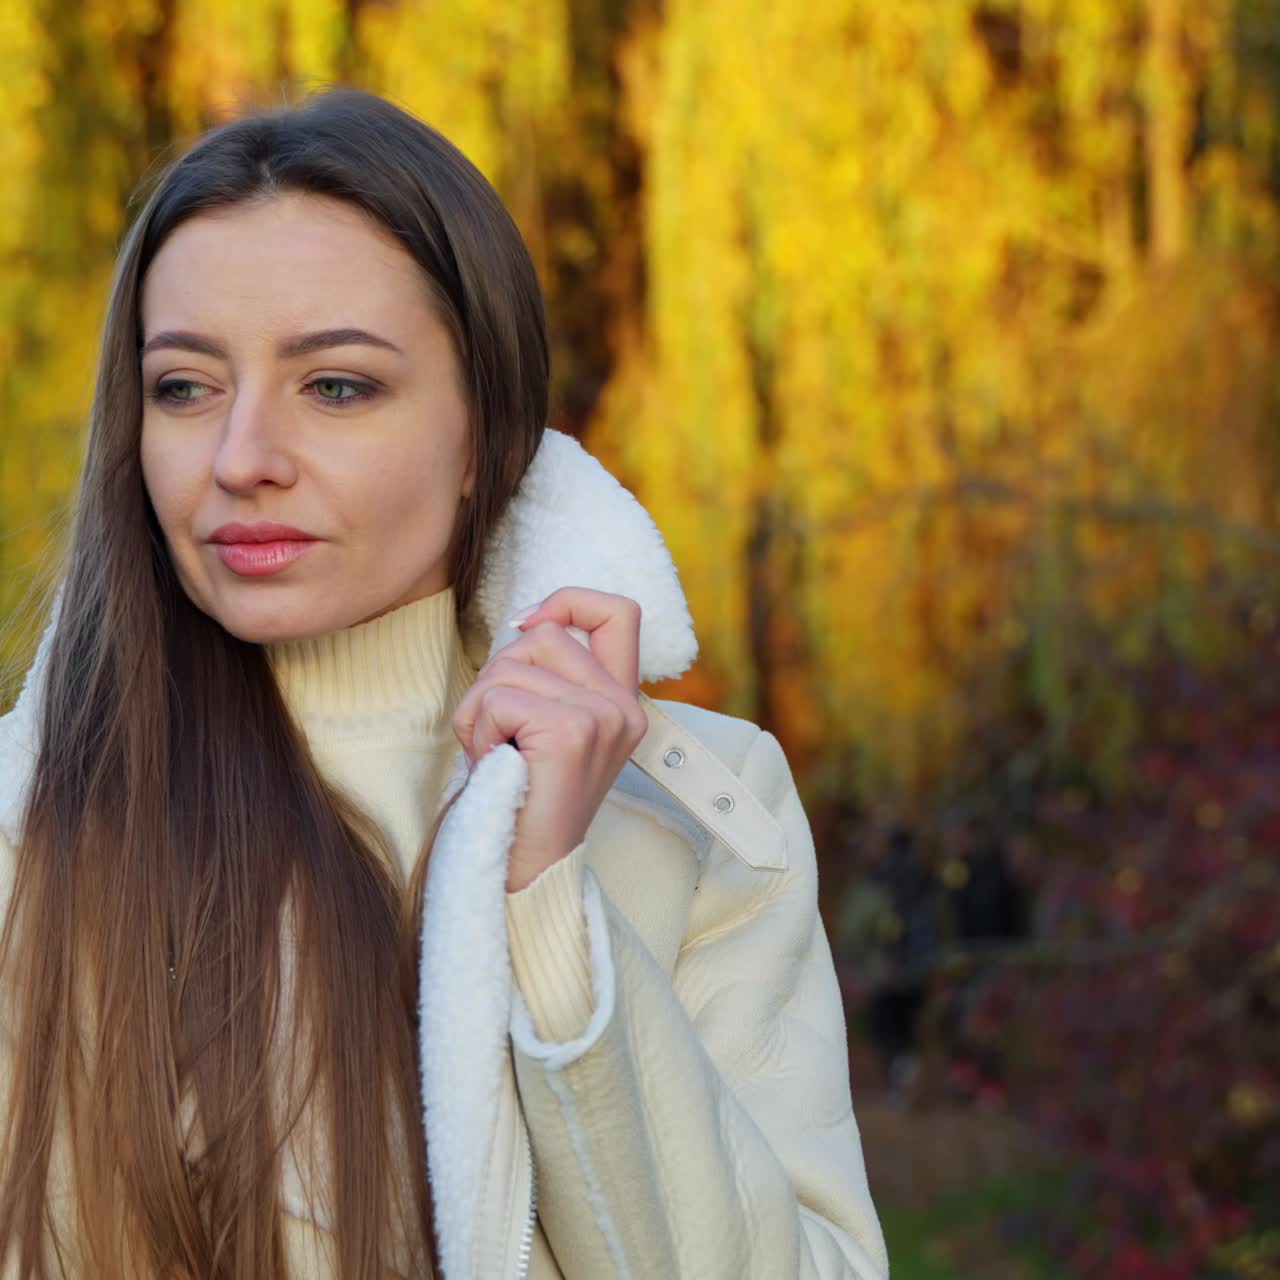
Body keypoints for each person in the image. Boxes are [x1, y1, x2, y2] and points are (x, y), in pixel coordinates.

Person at [0, 87, 889, 1279]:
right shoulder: (30, 829)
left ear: (484, 437)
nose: (241, 457)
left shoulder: (704, 808)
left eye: (336, 385)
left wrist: (545, 910)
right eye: (185, 386)